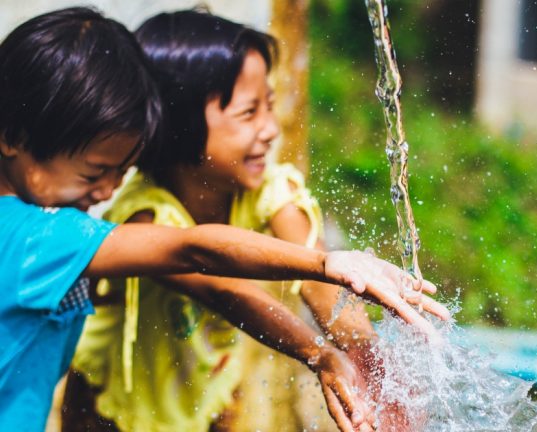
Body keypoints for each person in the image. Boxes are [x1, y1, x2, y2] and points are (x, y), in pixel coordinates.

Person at [0, 7, 448, 432]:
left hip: (206, 393)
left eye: (270, 106)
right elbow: (206, 265)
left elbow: (319, 288)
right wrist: (319, 334)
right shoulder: (107, 222)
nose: (108, 189)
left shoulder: (267, 189)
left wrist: (367, 361)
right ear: (178, 125)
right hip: (117, 411)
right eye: (248, 112)